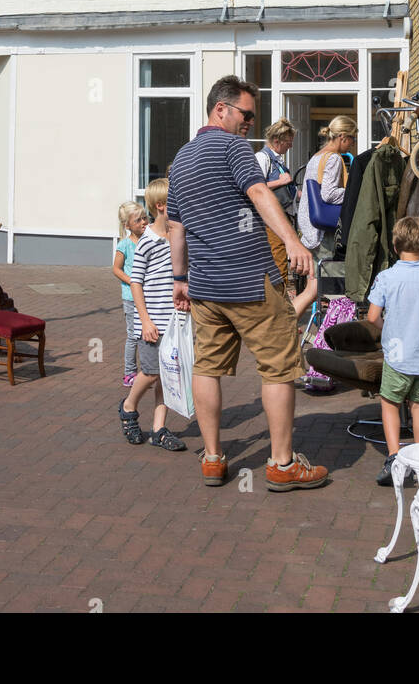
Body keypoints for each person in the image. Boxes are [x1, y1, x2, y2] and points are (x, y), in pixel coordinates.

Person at [168, 75, 328, 492]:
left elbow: (177, 228)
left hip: (204, 286)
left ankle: (213, 459)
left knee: (207, 367)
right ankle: (281, 465)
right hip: (249, 280)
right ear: (220, 109)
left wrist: (179, 279)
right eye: (246, 114)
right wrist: (293, 240)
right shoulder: (233, 146)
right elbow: (259, 192)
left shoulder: (181, 158)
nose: (250, 125)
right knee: (278, 366)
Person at [366, 215, 419, 487]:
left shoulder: (386, 277)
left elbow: (371, 317)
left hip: (397, 354)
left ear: (395, 247)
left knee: (390, 403)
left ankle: (394, 457)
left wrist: (388, 328)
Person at [118, 180, 187, 451]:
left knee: (167, 375)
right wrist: (144, 320)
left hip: (174, 321)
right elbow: (135, 282)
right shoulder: (147, 241)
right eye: (177, 201)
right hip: (152, 323)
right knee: (149, 373)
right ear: (161, 206)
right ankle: (128, 406)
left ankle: (159, 429)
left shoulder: (178, 238)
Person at [293, 116, 356, 322]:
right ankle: (330, 332)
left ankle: (284, 328)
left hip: (311, 230)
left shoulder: (316, 157)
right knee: (330, 287)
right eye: (352, 138)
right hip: (324, 234)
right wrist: (353, 192)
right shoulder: (334, 158)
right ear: (342, 137)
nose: (353, 143)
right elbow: (328, 194)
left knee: (314, 288)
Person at [112, 202, 148, 387]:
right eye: (138, 220)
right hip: (131, 297)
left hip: (148, 296)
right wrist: (133, 282)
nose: (144, 222)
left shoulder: (149, 240)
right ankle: (129, 373)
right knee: (134, 335)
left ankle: (148, 371)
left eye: (145, 217)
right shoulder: (124, 245)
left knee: (147, 334)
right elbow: (116, 269)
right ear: (127, 225)